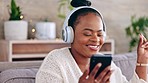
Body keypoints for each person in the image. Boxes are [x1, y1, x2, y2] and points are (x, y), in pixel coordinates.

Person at [36, 0, 148, 83]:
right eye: (87, 34)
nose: (96, 39)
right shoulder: (56, 61)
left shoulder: (106, 65)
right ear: (70, 34)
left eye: (100, 34)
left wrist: (142, 61)